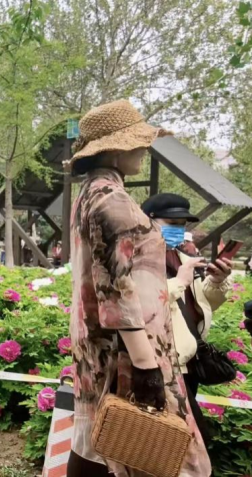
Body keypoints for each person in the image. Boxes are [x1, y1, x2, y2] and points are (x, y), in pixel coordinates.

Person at [67, 100, 210, 476]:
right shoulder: (111, 200)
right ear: (115, 148)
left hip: (100, 345)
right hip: (131, 349)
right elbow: (116, 286)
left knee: (97, 438)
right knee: (171, 458)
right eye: (138, 142)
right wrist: (146, 363)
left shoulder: (90, 194)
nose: (145, 149)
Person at [141, 193, 232, 448]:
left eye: (182, 224)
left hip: (190, 361)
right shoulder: (138, 258)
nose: (178, 230)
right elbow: (141, 304)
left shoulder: (181, 257)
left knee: (179, 440)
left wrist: (215, 281)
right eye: (171, 223)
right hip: (162, 361)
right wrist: (179, 281)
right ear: (149, 221)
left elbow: (199, 304)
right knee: (191, 438)